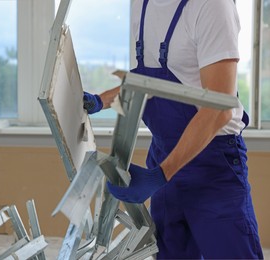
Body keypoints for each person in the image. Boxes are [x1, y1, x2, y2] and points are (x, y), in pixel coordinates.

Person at [83, 0, 264, 258]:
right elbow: (150, 83)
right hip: (164, 155)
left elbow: (219, 109)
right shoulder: (141, 5)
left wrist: (160, 176)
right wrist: (101, 101)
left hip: (213, 166)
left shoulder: (212, 6)